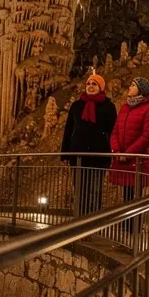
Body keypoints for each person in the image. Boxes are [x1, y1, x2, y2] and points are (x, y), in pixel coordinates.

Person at [61, 73, 117, 215]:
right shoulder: (77, 105)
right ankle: (79, 220)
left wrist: (112, 151)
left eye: (94, 84)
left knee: (94, 190)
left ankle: (92, 221)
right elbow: (69, 128)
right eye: (88, 84)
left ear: (101, 87)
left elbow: (113, 130)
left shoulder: (108, 107)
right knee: (80, 189)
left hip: (99, 155)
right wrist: (65, 152)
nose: (90, 87)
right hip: (78, 155)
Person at [109, 78, 149, 236]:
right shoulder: (125, 107)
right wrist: (117, 150)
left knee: (135, 194)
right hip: (122, 159)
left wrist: (129, 153)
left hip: (136, 160)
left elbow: (147, 136)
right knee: (126, 193)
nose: (129, 87)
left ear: (141, 90)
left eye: (133, 85)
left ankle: (135, 227)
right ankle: (126, 226)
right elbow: (116, 131)